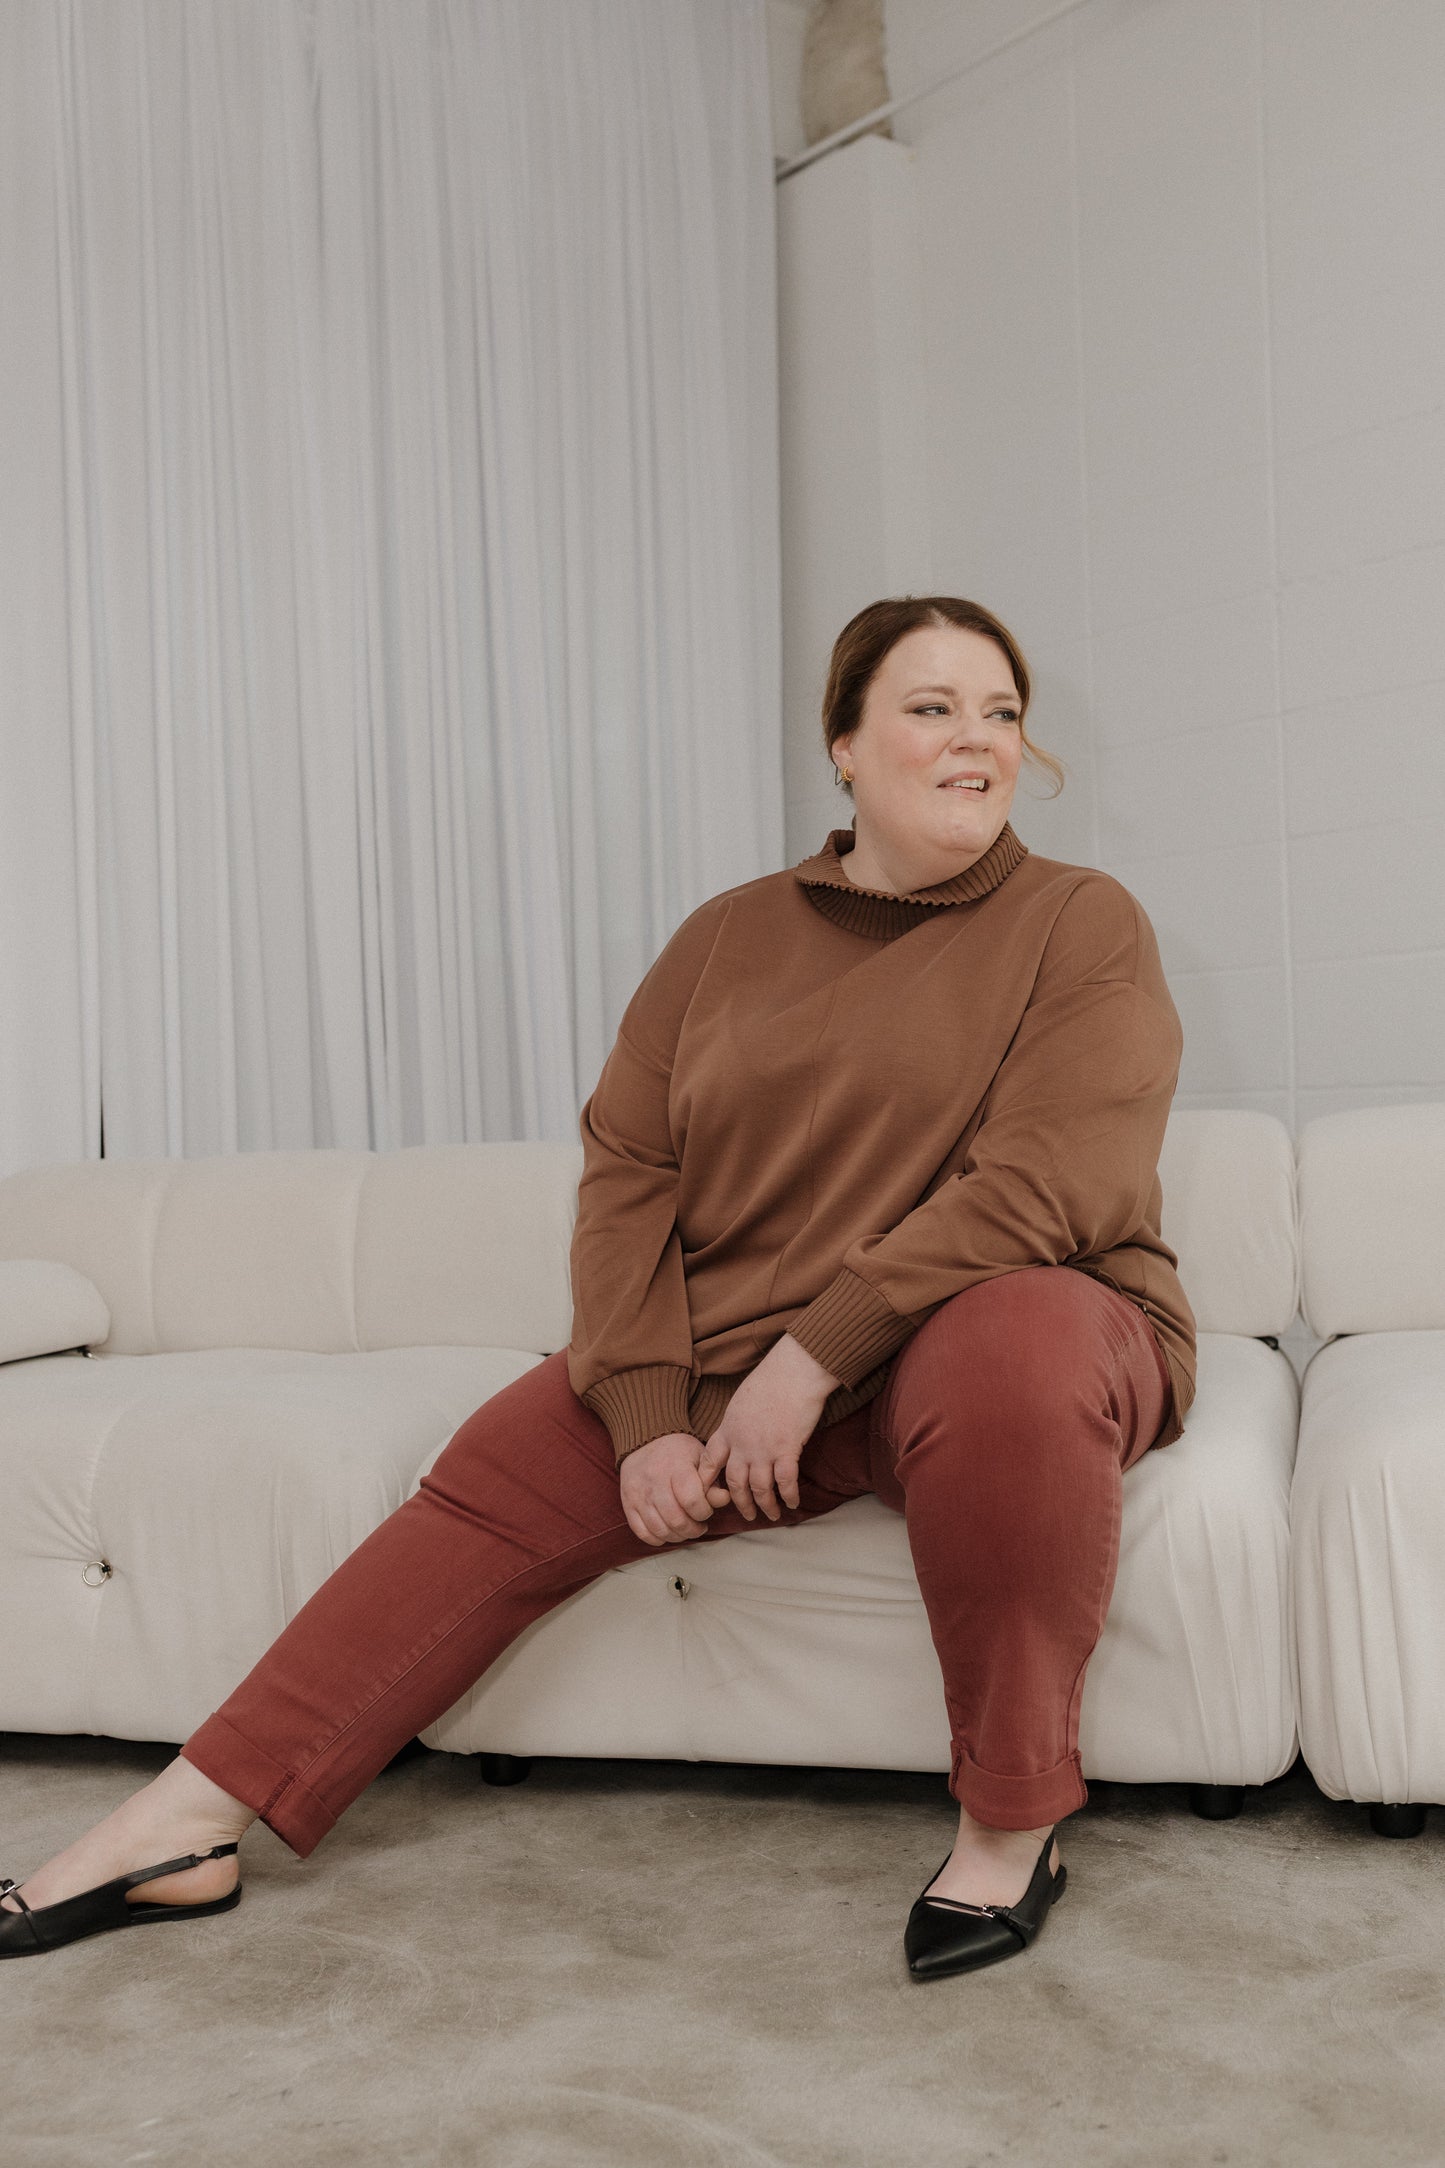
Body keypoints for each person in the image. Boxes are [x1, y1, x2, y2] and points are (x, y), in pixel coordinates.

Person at [1, 595, 1196, 1981]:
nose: (975, 743)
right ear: (843, 747)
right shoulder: (725, 939)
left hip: (1010, 1323)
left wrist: (805, 1366)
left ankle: (1008, 1823)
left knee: (1010, 1350)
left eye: (999, 714)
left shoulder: (1078, 920)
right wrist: (642, 1414)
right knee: (499, 1465)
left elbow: (1048, 1186)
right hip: (737, 1345)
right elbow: (628, 1171)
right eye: (930, 709)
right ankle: (184, 1820)